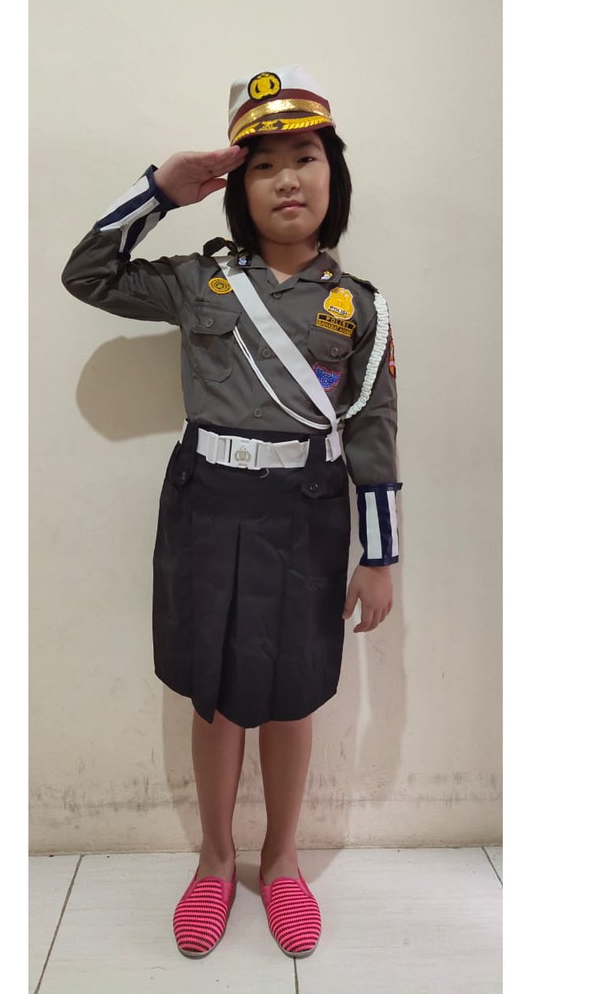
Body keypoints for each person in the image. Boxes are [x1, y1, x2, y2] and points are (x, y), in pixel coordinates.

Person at [61, 66, 402, 960]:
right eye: (263, 165)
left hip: (306, 514)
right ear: (238, 188)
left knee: (291, 698)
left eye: (305, 157)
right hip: (207, 507)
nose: (287, 179)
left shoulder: (361, 307)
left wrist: (380, 555)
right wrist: (160, 190)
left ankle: (280, 862)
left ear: (334, 175)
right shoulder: (199, 283)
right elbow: (87, 274)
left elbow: (373, 428)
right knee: (213, 698)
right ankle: (215, 863)